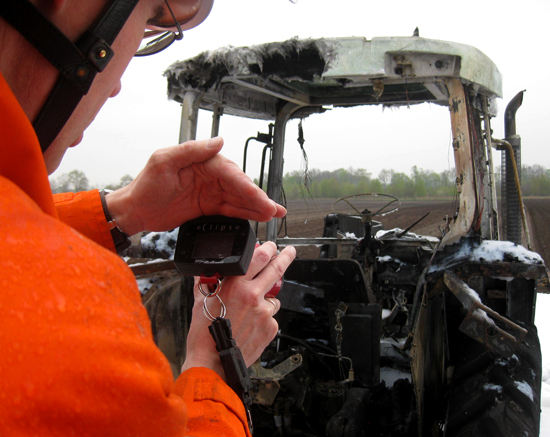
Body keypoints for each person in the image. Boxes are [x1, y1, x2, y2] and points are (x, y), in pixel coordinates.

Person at [0, 0, 296, 435]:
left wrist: (121, 211)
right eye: (147, 24)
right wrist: (213, 365)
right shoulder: (70, 329)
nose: (116, 86)